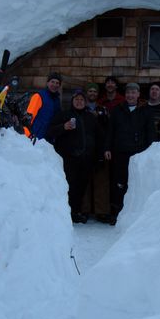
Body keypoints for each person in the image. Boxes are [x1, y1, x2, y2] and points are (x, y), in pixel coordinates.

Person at [47, 89, 102, 224]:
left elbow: (100, 136)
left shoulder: (91, 117)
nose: (79, 102)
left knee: (81, 187)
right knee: (69, 187)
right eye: (76, 99)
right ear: (72, 101)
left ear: (85, 102)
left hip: (86, 159)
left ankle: (76, 212)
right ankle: (67, 214)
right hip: (68, 158)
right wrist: (63, 127)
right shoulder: (64, 115)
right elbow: (50, 132)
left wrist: (99, 154)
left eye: (81, 100)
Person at [104, 82, 155, 225]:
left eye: (133, 92)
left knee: (134, 183)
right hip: (119, 152)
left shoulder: (145, 111)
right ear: (125, 95)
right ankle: (116, 213)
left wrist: (151, 150)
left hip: (138, 154)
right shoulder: (117, 110)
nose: (130, 95)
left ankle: (133, 215)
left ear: (138, 94)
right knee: (118, 183)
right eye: (128, 93)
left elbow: (151, 132)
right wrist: (107, 148)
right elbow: (110, 131)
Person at [82, 82, 111, 221]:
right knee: (84, 180)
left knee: (101, 180)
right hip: (85, 148)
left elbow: (108, 129)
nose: (92, 93)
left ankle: (102, 211)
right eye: (90, 91)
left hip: (100, 147)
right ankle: (84, 209)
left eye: (94, 91)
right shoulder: (81, 108)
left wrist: (106, 147)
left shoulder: (103, 109)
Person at [23, 73, 62, 142]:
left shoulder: (57, 100)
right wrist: (28, 136)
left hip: (49, 139)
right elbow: (28, 119)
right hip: (35, 138)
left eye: (57, 83)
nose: (55, 85)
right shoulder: (38, 96)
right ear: (47, 83)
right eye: (52, 82)